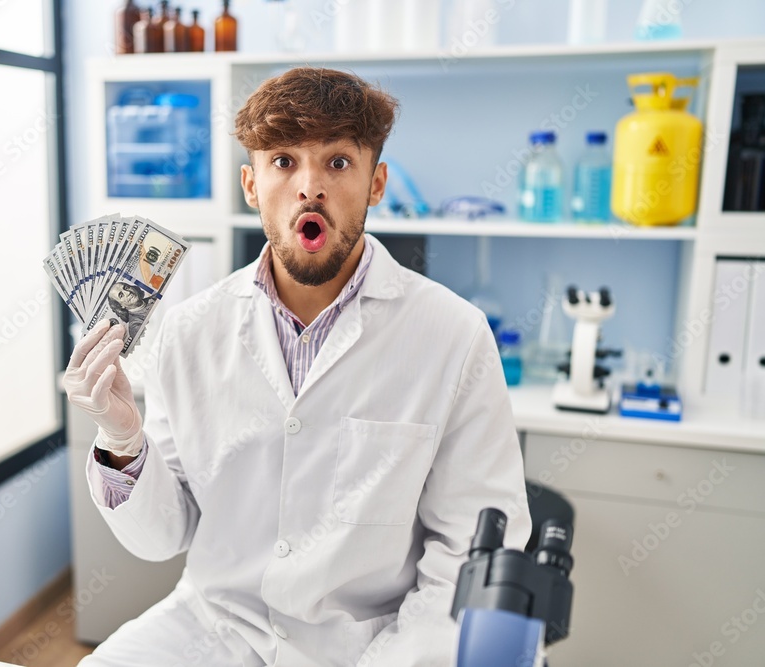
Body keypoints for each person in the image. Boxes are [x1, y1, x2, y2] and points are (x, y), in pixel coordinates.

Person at [64, 67, 531, 667]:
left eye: (338, 162)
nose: (310, 187)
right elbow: (162, 537)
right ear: (251, 185)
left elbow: (469, 554)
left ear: (376, 182)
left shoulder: (452, 335)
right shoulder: (189, 330)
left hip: (369, 644)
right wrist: (122, 440)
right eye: (283, 161)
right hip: (216, 627)